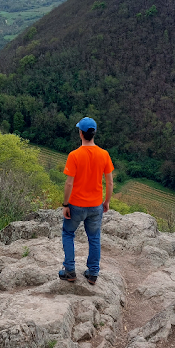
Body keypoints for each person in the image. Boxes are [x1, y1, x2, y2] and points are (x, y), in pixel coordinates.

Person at [59, 117, 114, 285]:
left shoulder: (74, 155)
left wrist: (65, 204)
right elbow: (110, 181)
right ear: (94, 133)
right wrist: (106, 201)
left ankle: (70, 271)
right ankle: (93, 273)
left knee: (68, 233)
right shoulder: (104, 154)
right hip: (96, 205)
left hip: (76, 204)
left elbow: (69, 182)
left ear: (80, 134)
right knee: (94, 238)